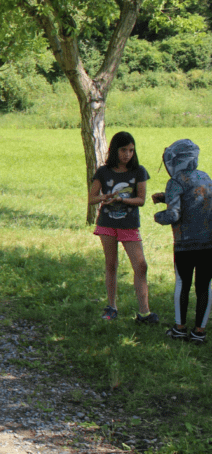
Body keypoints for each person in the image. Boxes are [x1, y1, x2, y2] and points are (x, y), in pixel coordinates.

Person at [87, 131, 157, 323]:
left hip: (129, 225)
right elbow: (91, 199)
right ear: (114, 150)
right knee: (111, 265)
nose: (127, 154)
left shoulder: (138, 171)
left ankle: (144, 312)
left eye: (131, 150)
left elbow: (141, 200)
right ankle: (111, 307)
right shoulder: (103, 171)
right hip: (107, 224)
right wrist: (105, 197)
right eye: (123, 150)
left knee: (140, 266)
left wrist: (122, 200)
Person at [152, 139, 212, 344]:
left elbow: (173, 215)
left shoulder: (175, 181)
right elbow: (195, 200)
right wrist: (164, 197)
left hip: (184, 245)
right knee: (204, 286)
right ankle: (199, 332)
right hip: (208, 244)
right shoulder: (206, 177)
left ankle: (179, 329)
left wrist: (158, 216)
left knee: (182, 284)